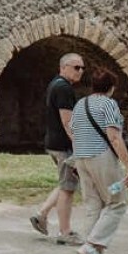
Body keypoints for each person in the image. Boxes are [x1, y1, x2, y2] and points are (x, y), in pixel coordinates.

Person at [68, 68, 128, 254]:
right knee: (117, 202)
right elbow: (114, 137)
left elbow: (73, 129)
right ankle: (92, 246)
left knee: (93, 205)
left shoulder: (81, 103)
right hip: (102, 158)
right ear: (111, 88)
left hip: (82, 158)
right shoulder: (109, 104)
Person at [29, 53, 85, 244]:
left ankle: (41, 214)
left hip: (55, 143)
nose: (80, 71)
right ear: (64, 67)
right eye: (76, 67)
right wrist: (79, 148)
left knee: (64, 183)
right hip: (63, 146)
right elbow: (68, 122)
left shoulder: (56, 84)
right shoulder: (63, 88)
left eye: (82, 68)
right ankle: (65, 232)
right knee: (68, 189)